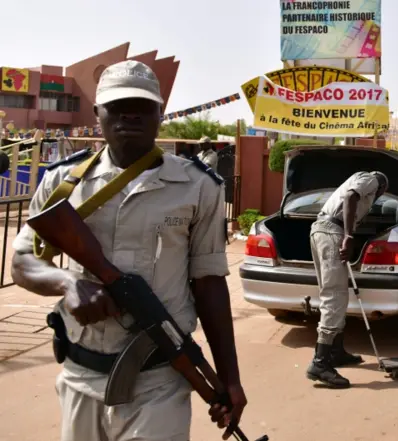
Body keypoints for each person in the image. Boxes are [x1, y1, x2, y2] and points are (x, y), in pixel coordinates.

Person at [10, 60, 246, 441]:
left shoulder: (198, 186)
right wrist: (68, 282)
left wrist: (229, 378)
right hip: (80, 377)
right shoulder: (62, 182)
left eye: (142, 105)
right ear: (97, 112)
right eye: (117, 106)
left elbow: (209, 283)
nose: (130, 114)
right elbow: (21, 262)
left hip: (160, 380)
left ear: (160, 112)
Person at [306, 171, 389, 388]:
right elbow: (351, 197)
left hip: (322, 230)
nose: (377, 198)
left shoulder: (358, 179)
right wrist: (349, 236)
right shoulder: (372, 179)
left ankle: (336, 351)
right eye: (379, 195)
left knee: (335, 293)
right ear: (381, 187)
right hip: (333, 231)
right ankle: (320, 363)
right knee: (334, 296)